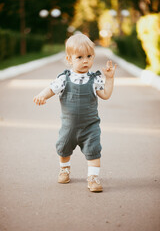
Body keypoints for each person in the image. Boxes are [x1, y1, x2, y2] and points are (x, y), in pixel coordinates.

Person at [33, 33, 117, 192]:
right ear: (69, 59)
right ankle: (64, 169)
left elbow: (105, 95)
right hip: (69, 126)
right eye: (79, 57)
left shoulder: (95, 79)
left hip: (90, 126)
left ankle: (93, 178)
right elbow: (51, 88)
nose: (86, 60)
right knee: (63, 147)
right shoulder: (64, 79)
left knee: (94, 150)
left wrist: (110, 79)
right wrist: (42, 95)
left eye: (89, 56)